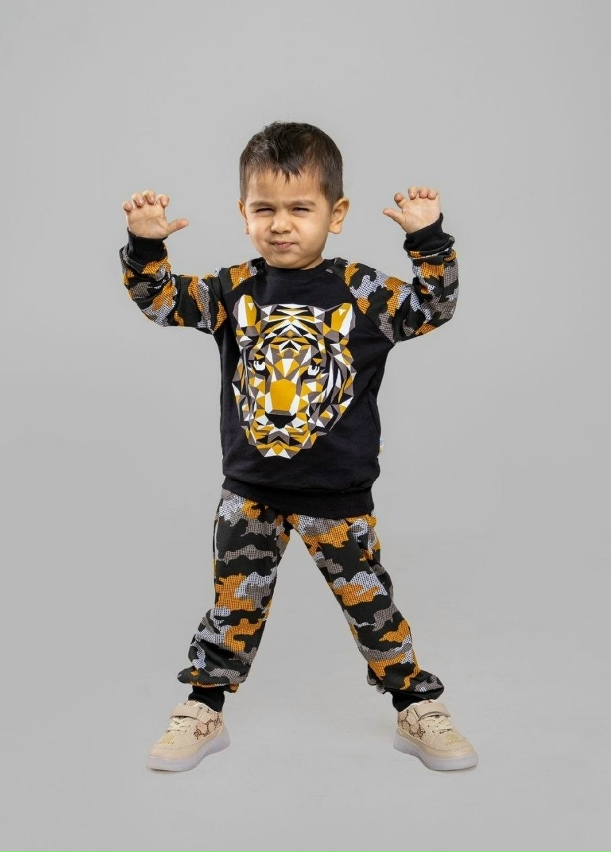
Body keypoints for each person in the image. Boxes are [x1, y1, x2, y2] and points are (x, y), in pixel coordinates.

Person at [119, 121, 478, 772]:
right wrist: (146, 246)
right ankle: (203, 708)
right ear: (244, 213)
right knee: (232, 609)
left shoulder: (362, 292)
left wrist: (428, 239)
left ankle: (415, 706)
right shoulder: (232, 289)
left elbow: (433, 306)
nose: (281, 224)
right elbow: (162, 301)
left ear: (336, 215)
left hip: (336, 497)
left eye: (300, 209)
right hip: (249, 493)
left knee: (373, 609)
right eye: (265, 209)